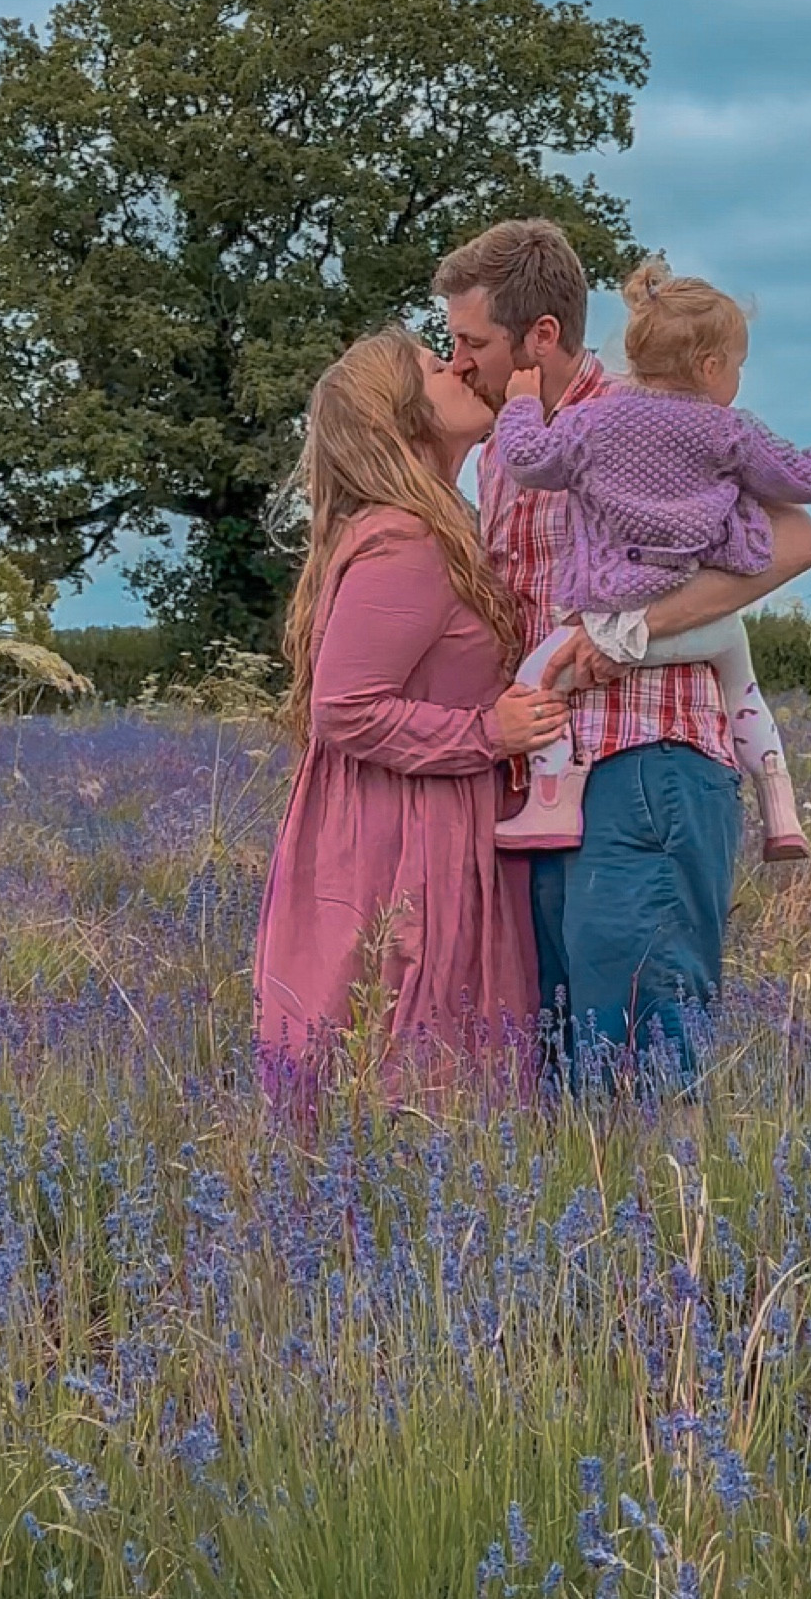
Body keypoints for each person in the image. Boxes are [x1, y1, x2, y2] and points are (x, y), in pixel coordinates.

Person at [436, 219, 811, 1077]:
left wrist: (635, 630)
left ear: (540, 337)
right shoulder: (510, 448)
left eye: (472, 341)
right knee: (567, 1044)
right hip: (550, 770)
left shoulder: (643, 414)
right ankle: (599, 1211)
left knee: (643, 1047)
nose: (458, 358)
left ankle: (673, 1212)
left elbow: (797, 541)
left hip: (646, 754)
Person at [492, 256, 811, 860]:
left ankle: (552, 804)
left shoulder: (591, 423)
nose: (737, 378)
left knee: (539, 678)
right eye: (738, 366)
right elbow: (800, 476)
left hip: (613, 616)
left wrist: (521, 404)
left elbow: (528, 461)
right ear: (710, 367)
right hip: (704, 614)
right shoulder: (728, 431)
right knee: (743, 688)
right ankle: (781, 813)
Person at [253, 326, 566, 1069]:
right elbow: (345, 706)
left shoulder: (438, 524)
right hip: (405, 829)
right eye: (435, 364)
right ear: (399, 414)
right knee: (409, 1052)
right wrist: (488, 733)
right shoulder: (405, 539)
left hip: (422, 811)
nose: (459, 365)